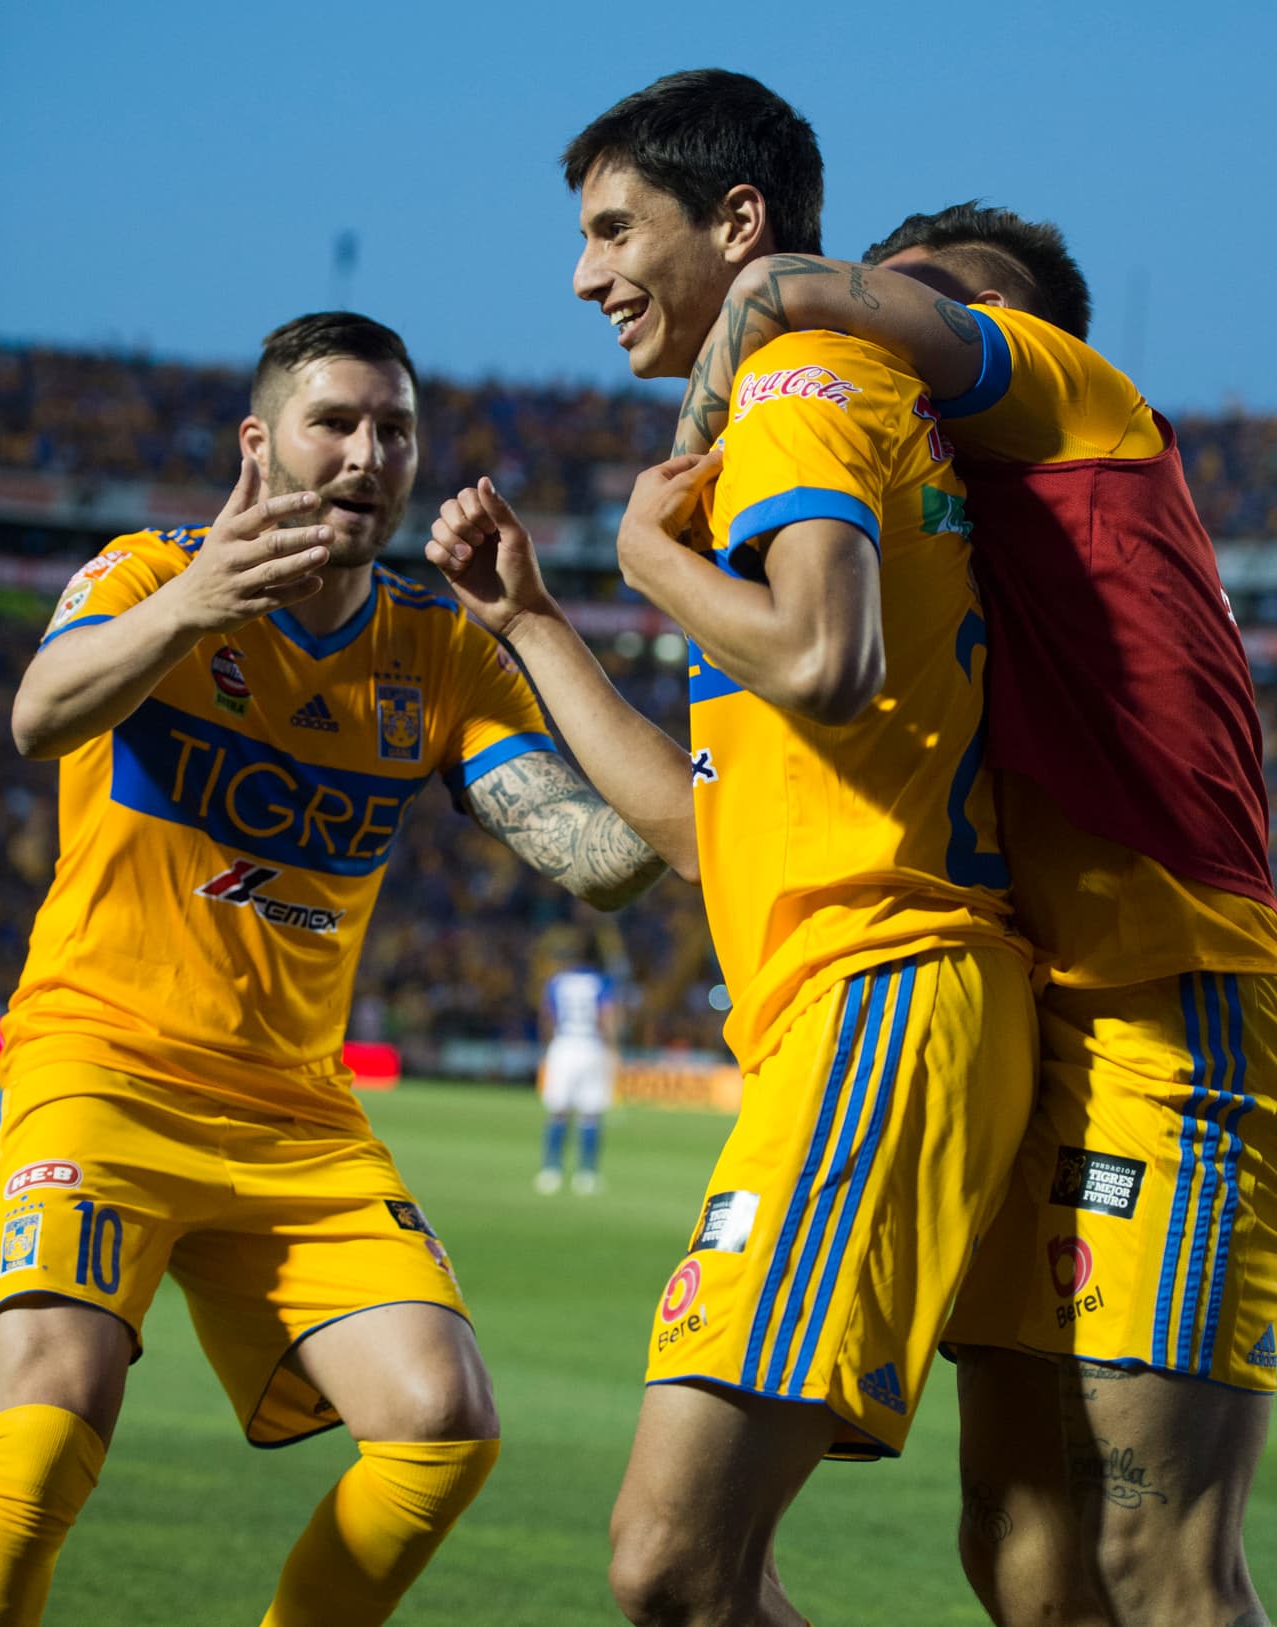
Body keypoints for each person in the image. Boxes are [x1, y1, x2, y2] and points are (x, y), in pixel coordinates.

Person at [426, 69, 1038, 1627]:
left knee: (669, 1561)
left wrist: (637, 553)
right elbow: (703, 840)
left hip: (881, 991)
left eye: (618, 227)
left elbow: (824, 652)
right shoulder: (771, 434)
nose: (586, 274)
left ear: (742, 222)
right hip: (839, 1008)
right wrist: (539, 624)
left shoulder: (796, 385)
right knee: (711, 1570)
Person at [0, 311, 667, 1627]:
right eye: (338, 422)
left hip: (297, 1114)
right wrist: (199, 602)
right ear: (261, 443)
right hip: (103, 1067)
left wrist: (534, 624)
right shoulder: (147, 570)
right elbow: (39, 713)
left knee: (442, 1417)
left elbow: (600, 859)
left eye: (396, 430)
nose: (370, 452)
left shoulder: (437, 652)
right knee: (50, 1392)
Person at [674, 206, 1277, 1627]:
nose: (882, 322)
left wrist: (681, 486)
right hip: (1038, 1000)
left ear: (1014, 324)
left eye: (921, 298)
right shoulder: (946, 520)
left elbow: (773, 284)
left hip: (1169, 988)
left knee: (1158, 1559)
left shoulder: (1083, 402)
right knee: (1023, 1547)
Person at [534, 936, 622, 1196]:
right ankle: (587, 1173)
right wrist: (614, 1048)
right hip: (591, 1046)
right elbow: (606, 1016)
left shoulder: (556, 982)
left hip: (563, 1045)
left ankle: (551, 1170)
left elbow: (546, 1018)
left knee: (557, 1111)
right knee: (590, 1114)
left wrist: (550, 1045)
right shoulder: (601, 982)